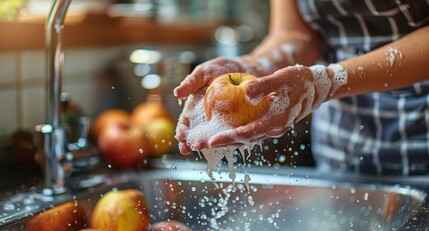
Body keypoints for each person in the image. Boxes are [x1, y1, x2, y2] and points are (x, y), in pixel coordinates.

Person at [174, 0, 429, 176]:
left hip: (420, 140)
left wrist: (327, 81)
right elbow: (294, 34)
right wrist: (251, 66)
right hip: (341, 144)